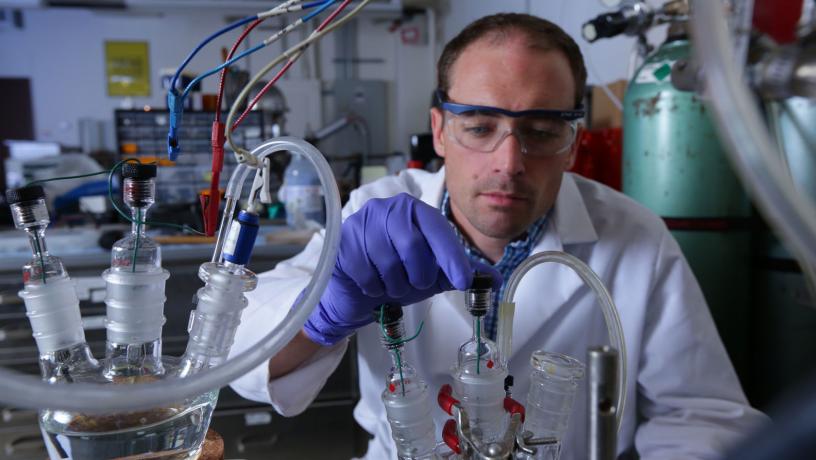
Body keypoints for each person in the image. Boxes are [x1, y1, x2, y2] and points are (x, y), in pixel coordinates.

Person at [229, 13, 767, 459]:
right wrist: (320, 313)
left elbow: (700, 416)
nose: (509, 162)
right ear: (440, 129)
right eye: (480, 126)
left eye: (540, 130)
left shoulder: (633, 236)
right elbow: (238, 356)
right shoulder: (375, 212)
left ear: (573, 142)